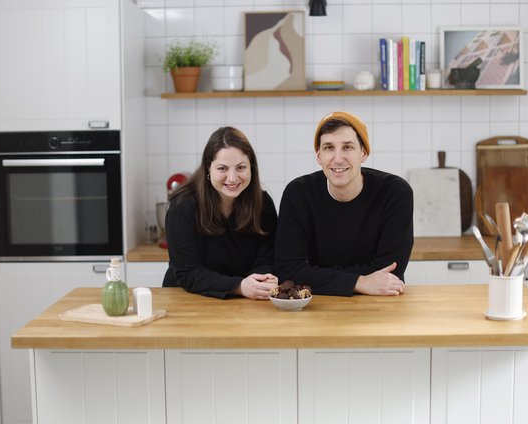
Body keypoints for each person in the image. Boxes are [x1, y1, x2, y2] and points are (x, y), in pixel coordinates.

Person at [274, 111, 413, 296]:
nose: (338, 158)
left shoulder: (395, 193)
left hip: (380, 304)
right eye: (329, 148)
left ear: (363, 153)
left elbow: (390, 272)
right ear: (318, 156)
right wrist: (359, 282)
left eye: (347, 147)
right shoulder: (298, 194)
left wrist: (316, 275)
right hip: (317, 307)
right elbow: (288, 270)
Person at [163, 127, 278, 299]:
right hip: (188, 300)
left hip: (245, 302)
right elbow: (188, 273)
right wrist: (240, 286)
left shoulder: (263, 204)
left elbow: (267, 259)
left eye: (241, 167)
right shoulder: (182, 206)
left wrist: (261, 280)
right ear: (208, 169)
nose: (232, 178)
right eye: (222, 168)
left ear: (251, 168)